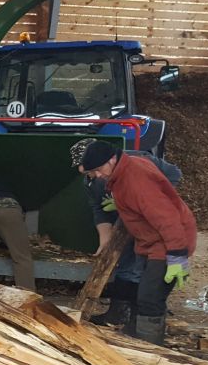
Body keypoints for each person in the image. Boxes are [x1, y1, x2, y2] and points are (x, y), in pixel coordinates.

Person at [81, 140, 195, 344]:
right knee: (142, 291)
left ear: (112, 159)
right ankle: (135, 335)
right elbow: (142, 202)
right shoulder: (123, 172)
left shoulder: (136, 180)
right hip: (149, 241)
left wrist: (177, 255)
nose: (97, 175)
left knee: (150, 298)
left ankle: (150, 347)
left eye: (98, 170)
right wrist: (122, 203)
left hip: (167, 242)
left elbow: (167, 218)